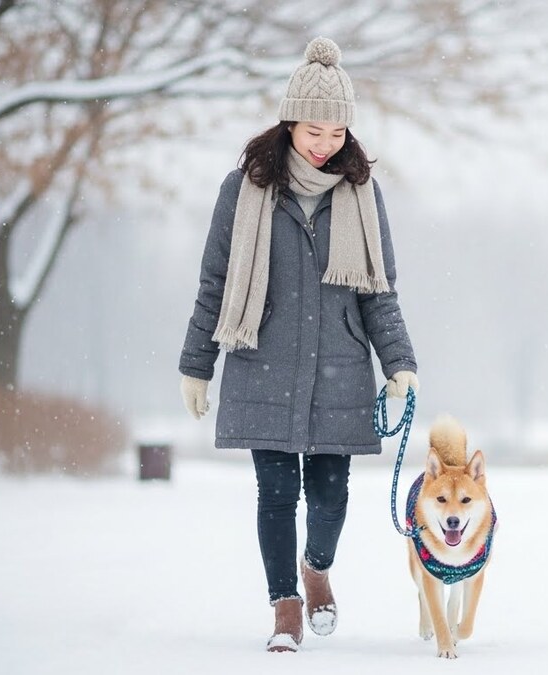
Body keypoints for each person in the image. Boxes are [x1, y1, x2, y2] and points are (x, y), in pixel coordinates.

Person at [177, 36, 419, 653]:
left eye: (337, 131)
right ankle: (285, 607)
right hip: (264, 364)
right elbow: (216, 282)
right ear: (289, 122)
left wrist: (398, 362)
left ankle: (317, 569)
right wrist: (196, 366)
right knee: (277, 493)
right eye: (314, 129)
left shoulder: (362, 195)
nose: (324, 143)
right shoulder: (244, 191)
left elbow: (379, 291)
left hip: (339, 368)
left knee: (332, 497)